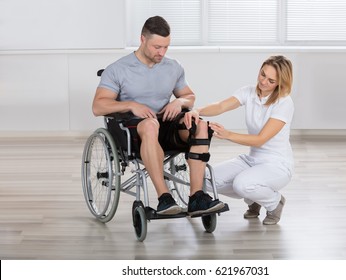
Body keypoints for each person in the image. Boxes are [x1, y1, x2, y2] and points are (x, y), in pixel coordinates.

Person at [92, 16, 224, 216]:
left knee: (201, 125)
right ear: (142, 39)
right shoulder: (118, 69)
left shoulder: (173, 67)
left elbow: (189, 96)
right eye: (157, 47)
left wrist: (178, 102)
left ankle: (196, 197)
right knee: (150, 125)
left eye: (166, 47)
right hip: (135, 130)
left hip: (167, 125)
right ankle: (164, 198)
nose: (161, 53)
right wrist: (131, 105)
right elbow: (98, 106)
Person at [184, 55, 294, 225]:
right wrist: (197, 111)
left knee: (242, 184)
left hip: (276, 164)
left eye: (271, 80)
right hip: (252, 159)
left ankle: (275, 202)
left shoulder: (284, 103)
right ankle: (255, 199)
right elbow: (221, 106)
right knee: (203, 180)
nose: (263, 82)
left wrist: (227, 134)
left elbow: (260, 140)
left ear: (280, 83)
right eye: (262, 74)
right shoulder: (248, 92)